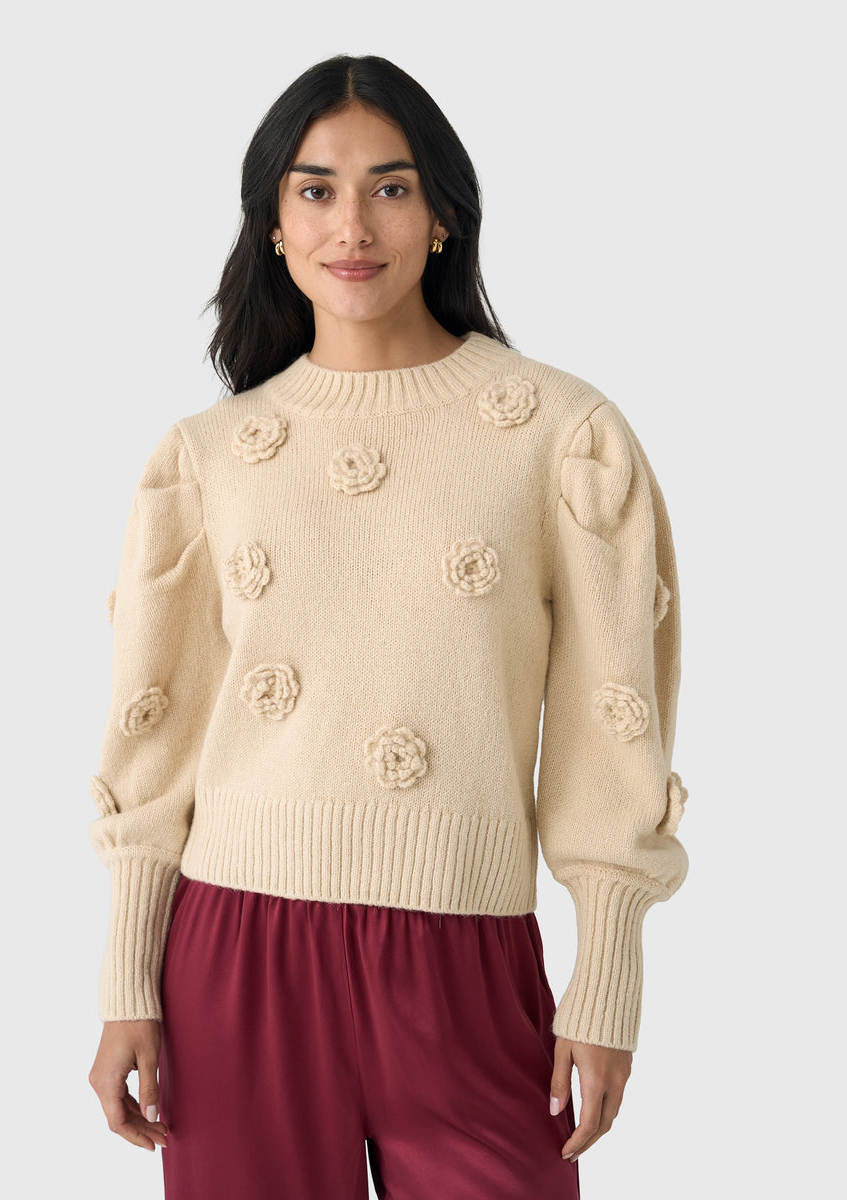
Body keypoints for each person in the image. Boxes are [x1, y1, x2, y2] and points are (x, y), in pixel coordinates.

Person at [87, 53, 689, 1200]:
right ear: (272, 223)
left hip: (467, 955)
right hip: (234, 955)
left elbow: (615, 717)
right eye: (315, 190)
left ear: (443, 215)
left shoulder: (564, 436)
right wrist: (127, 981)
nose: (352, 226)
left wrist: (606, 978)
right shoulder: (206, 458)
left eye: (391, 188)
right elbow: (151, 733)